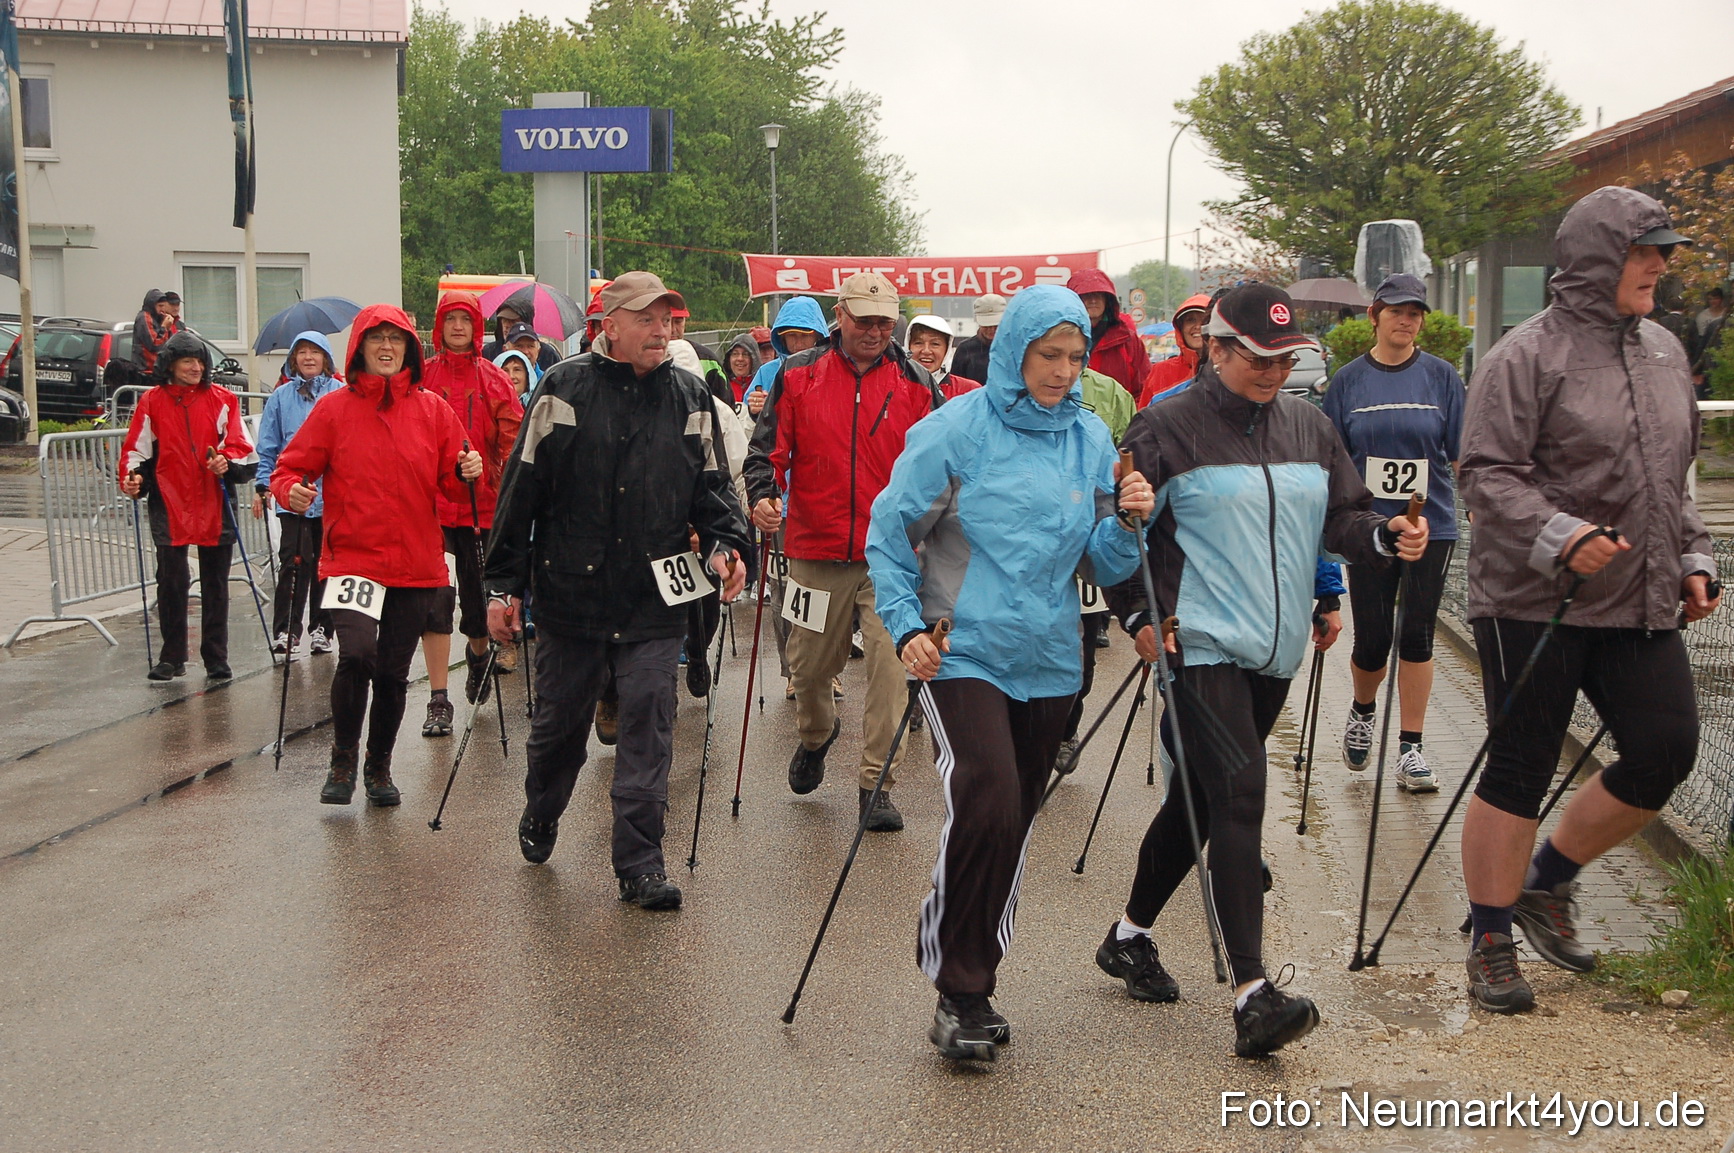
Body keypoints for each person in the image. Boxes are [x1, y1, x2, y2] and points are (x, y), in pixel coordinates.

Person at [1101, 282, 1426, 1058]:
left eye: (1286, 358)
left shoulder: (1311, 427)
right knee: (1244, 792)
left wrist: (1381, 538)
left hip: (1275, 649)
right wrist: (1140, 617)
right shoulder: (1167, 425)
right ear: (1215, 348)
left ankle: (1127, 936)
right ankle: (1253, 995)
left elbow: (1340, 517)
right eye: (1258, 357)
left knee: (1204, 801)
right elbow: (1118, 527)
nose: (1274, 371)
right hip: (1198, 643)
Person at [867, 284, 1153, 1061]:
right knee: (987, 798)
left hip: (1051, 656)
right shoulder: (953, 430)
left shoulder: (1092, 437)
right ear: (1015, 351)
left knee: (1013, 818)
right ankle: (959, 990)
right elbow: (889, 534)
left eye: (1074, 356)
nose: (1062, 370)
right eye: (1047, 354)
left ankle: (975, 972)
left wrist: (1130, 520)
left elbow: (1105, 557)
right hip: (961, 649)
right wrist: (903, 628)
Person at [1456, 187, 1718, 1015]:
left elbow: (1674, 482)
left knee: (1666, 744)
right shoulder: (1523, 354)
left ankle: (1548, 881)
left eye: (1667, 253)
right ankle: (1490, 933)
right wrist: (1561, 532)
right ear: (1602, 255)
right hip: (1534, 597)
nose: (1663, 266)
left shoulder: (1669, 355)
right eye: (1649, 251)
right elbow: (1485, 473)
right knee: (1522, 766)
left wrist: (1695, 557)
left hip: (1639, 596)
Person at [483, 271, 750, 909]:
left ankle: (640, 863)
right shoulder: (561, 386)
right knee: (559, 729)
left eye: (669, 321)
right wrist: (502, 586)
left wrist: (725, 548)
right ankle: (542, 808)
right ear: (612, 327)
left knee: (649, 726)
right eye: (648, 320)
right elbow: (521, 492)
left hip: (655, 599)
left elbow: (715, 495)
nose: (662, 331)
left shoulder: (690, 395)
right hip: (571, 596)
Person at [744, 271, 944, 833]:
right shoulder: (796, 374)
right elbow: (765, 453)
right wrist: (763, 497)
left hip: (894, 561)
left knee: (891, 668)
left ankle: (876, 783)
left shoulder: (917, 381)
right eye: (865, 319)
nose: (876, 331)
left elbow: (941, 466)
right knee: (807, 669)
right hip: (813, 549)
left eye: (886, 321)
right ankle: (816, 734)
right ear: (841, 316)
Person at [272, 306, 482, 806]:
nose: (386, 348)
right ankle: (344, 756)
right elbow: (289, 469)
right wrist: (290, 492)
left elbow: (457, 471)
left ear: (409, 348)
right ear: (360, 349)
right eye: (376, 340)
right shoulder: (334, 409)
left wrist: (469, 467)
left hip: (414, 562)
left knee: (391, 670)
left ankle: (379, 767)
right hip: (353, 559)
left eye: (396, 339)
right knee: (359, 653)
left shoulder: (432, 409)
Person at [1323, 273, 1466, 794]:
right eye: (1397, 311)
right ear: (1375, 316)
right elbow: (1334, 459)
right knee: (1374, 638)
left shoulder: (1442, 377)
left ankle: (1411, 746)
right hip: (1369, 529)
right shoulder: (1347, 382)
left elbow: (1459, 453)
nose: (1407, 320)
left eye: (1415, 312)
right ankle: (1363, 709)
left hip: (1431, 527)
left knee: (1418, 635)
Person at [119, 331, 259, 682]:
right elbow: (136, 451)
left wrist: (225, 461)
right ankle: (172, 656)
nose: (196, 367)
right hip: (169, 501)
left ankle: (216, 657)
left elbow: (243, 449)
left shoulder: (223, 399)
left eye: (200, 361)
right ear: (171, 365)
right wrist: (133, 478)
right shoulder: (151, 402)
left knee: (216, 583)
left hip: (214, 501)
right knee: (171, 581)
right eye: (187, 361)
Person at [417, 292, 525, 738]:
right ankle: (438, 698)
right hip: (431, 506)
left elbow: (514, 431)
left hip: (481, 506)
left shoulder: (494, 378)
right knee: (436, 599)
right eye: (450, 319)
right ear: (439, 325)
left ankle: (478, 653)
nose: (458, 327)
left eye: (466, 319)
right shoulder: (423, 375)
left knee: (476, 599)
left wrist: (498, 475)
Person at [1051, 365, 1136, 768]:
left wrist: (1123, 512)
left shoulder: (1110, 394)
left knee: (1082, 665)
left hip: (1086, 548)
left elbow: (1124, 460)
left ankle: (1067, 730)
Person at [253, 331, 341, 658]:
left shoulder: (340, 393)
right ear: (293, 359)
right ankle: (286, 630)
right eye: (301, 352)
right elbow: (269, 446)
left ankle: (323, 627)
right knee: (292, 563)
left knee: (325, 564)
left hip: (330, 498)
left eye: (314, 352)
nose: (307, 358)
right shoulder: (280, 397)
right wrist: (263, 485)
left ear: (326, 358)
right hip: (293, 496)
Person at [1067, 269, 1150, 397]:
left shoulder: (1127, 340)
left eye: (1099, 294)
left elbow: (1144, 390)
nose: (1093, 300)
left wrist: (1134, 416)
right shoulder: (1059, 338)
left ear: (1108, 300)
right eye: (1086, 295)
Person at [1139, 293, 1210, 407]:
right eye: (1190, 320)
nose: (1197, 326)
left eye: (1204, 320)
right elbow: (1143, 419)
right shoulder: (1160, 372)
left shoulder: (1227, 370)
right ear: (1180, 328)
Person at [905, 314, 980, 398]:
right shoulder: (895, 387)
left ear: (946, 350)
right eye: (918, 343)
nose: (926, 351)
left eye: (935, 344)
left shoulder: (969, 391)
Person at [481, 303, 562, 372]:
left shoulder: (548, 354)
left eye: (512, 321)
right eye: (504, 320)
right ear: (505, 349)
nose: (506, 326)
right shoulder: (488, 352)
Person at [948, 293, 1004, 385]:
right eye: (986, 325)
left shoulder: (1014, 347)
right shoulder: (965, 349)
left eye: (996, 325)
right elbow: (955, 386)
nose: (991, 329)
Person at [130, 289, 184, 378]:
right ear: (152, 306)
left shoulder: (159, 318)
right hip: (146, 371)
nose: (162, 309)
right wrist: (164, 328)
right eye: (160, 306)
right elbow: (154, 345)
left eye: (164, 306)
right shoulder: (145, 317)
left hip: (158, 369)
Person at [722, 333, 759, 404]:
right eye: (735, 354)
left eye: (745, 354)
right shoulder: (721, 387)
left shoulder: (762, 385)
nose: (740, 359)